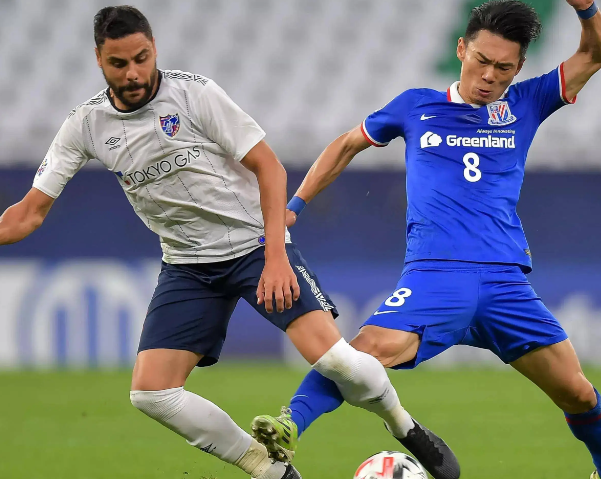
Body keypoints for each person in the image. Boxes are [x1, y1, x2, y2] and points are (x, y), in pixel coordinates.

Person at [0, 5, 461, 479]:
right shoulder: (85, 124)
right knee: (151, 393)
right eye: (119, 63)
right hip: (186, 264)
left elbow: (270, 167)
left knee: (336, 361)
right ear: (99, 59)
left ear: (154, 48)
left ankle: (404, 426)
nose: (133, 73)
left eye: (142, 58)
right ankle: (268, 469)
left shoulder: (194, 95)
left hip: (253, 246)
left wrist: (276, 255)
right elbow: (28, 213)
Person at [252, 1, 601, 479]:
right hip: (436, 277)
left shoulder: (528, 102)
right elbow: (346, 143)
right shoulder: (415, 105)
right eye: (482, 60)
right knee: (360, 354)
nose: (490, 76)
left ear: (519, 67)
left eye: (504, 68)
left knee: (580, 394)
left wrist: (585, 7)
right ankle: (290, 424)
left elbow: (597, 53)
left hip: (506, 285)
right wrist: (295, 206)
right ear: (461, 49)